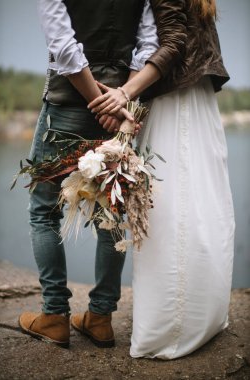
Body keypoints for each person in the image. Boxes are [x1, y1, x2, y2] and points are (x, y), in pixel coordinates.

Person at [88, 0, 235, 359]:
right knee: (203, 202)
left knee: (168, 204)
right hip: (196, 93)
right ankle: (206, 313)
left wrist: (125, 92)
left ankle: (170, 331)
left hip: (175, 96)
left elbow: (173, 42)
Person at [18, 0, 158, 349]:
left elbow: (64, 48)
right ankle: (100, 318)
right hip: (118, 105)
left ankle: (54, 316)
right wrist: (118, 103)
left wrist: (98, 102)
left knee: (44, 212)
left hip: (67, 106)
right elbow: (148, 47)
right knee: (110, 213)